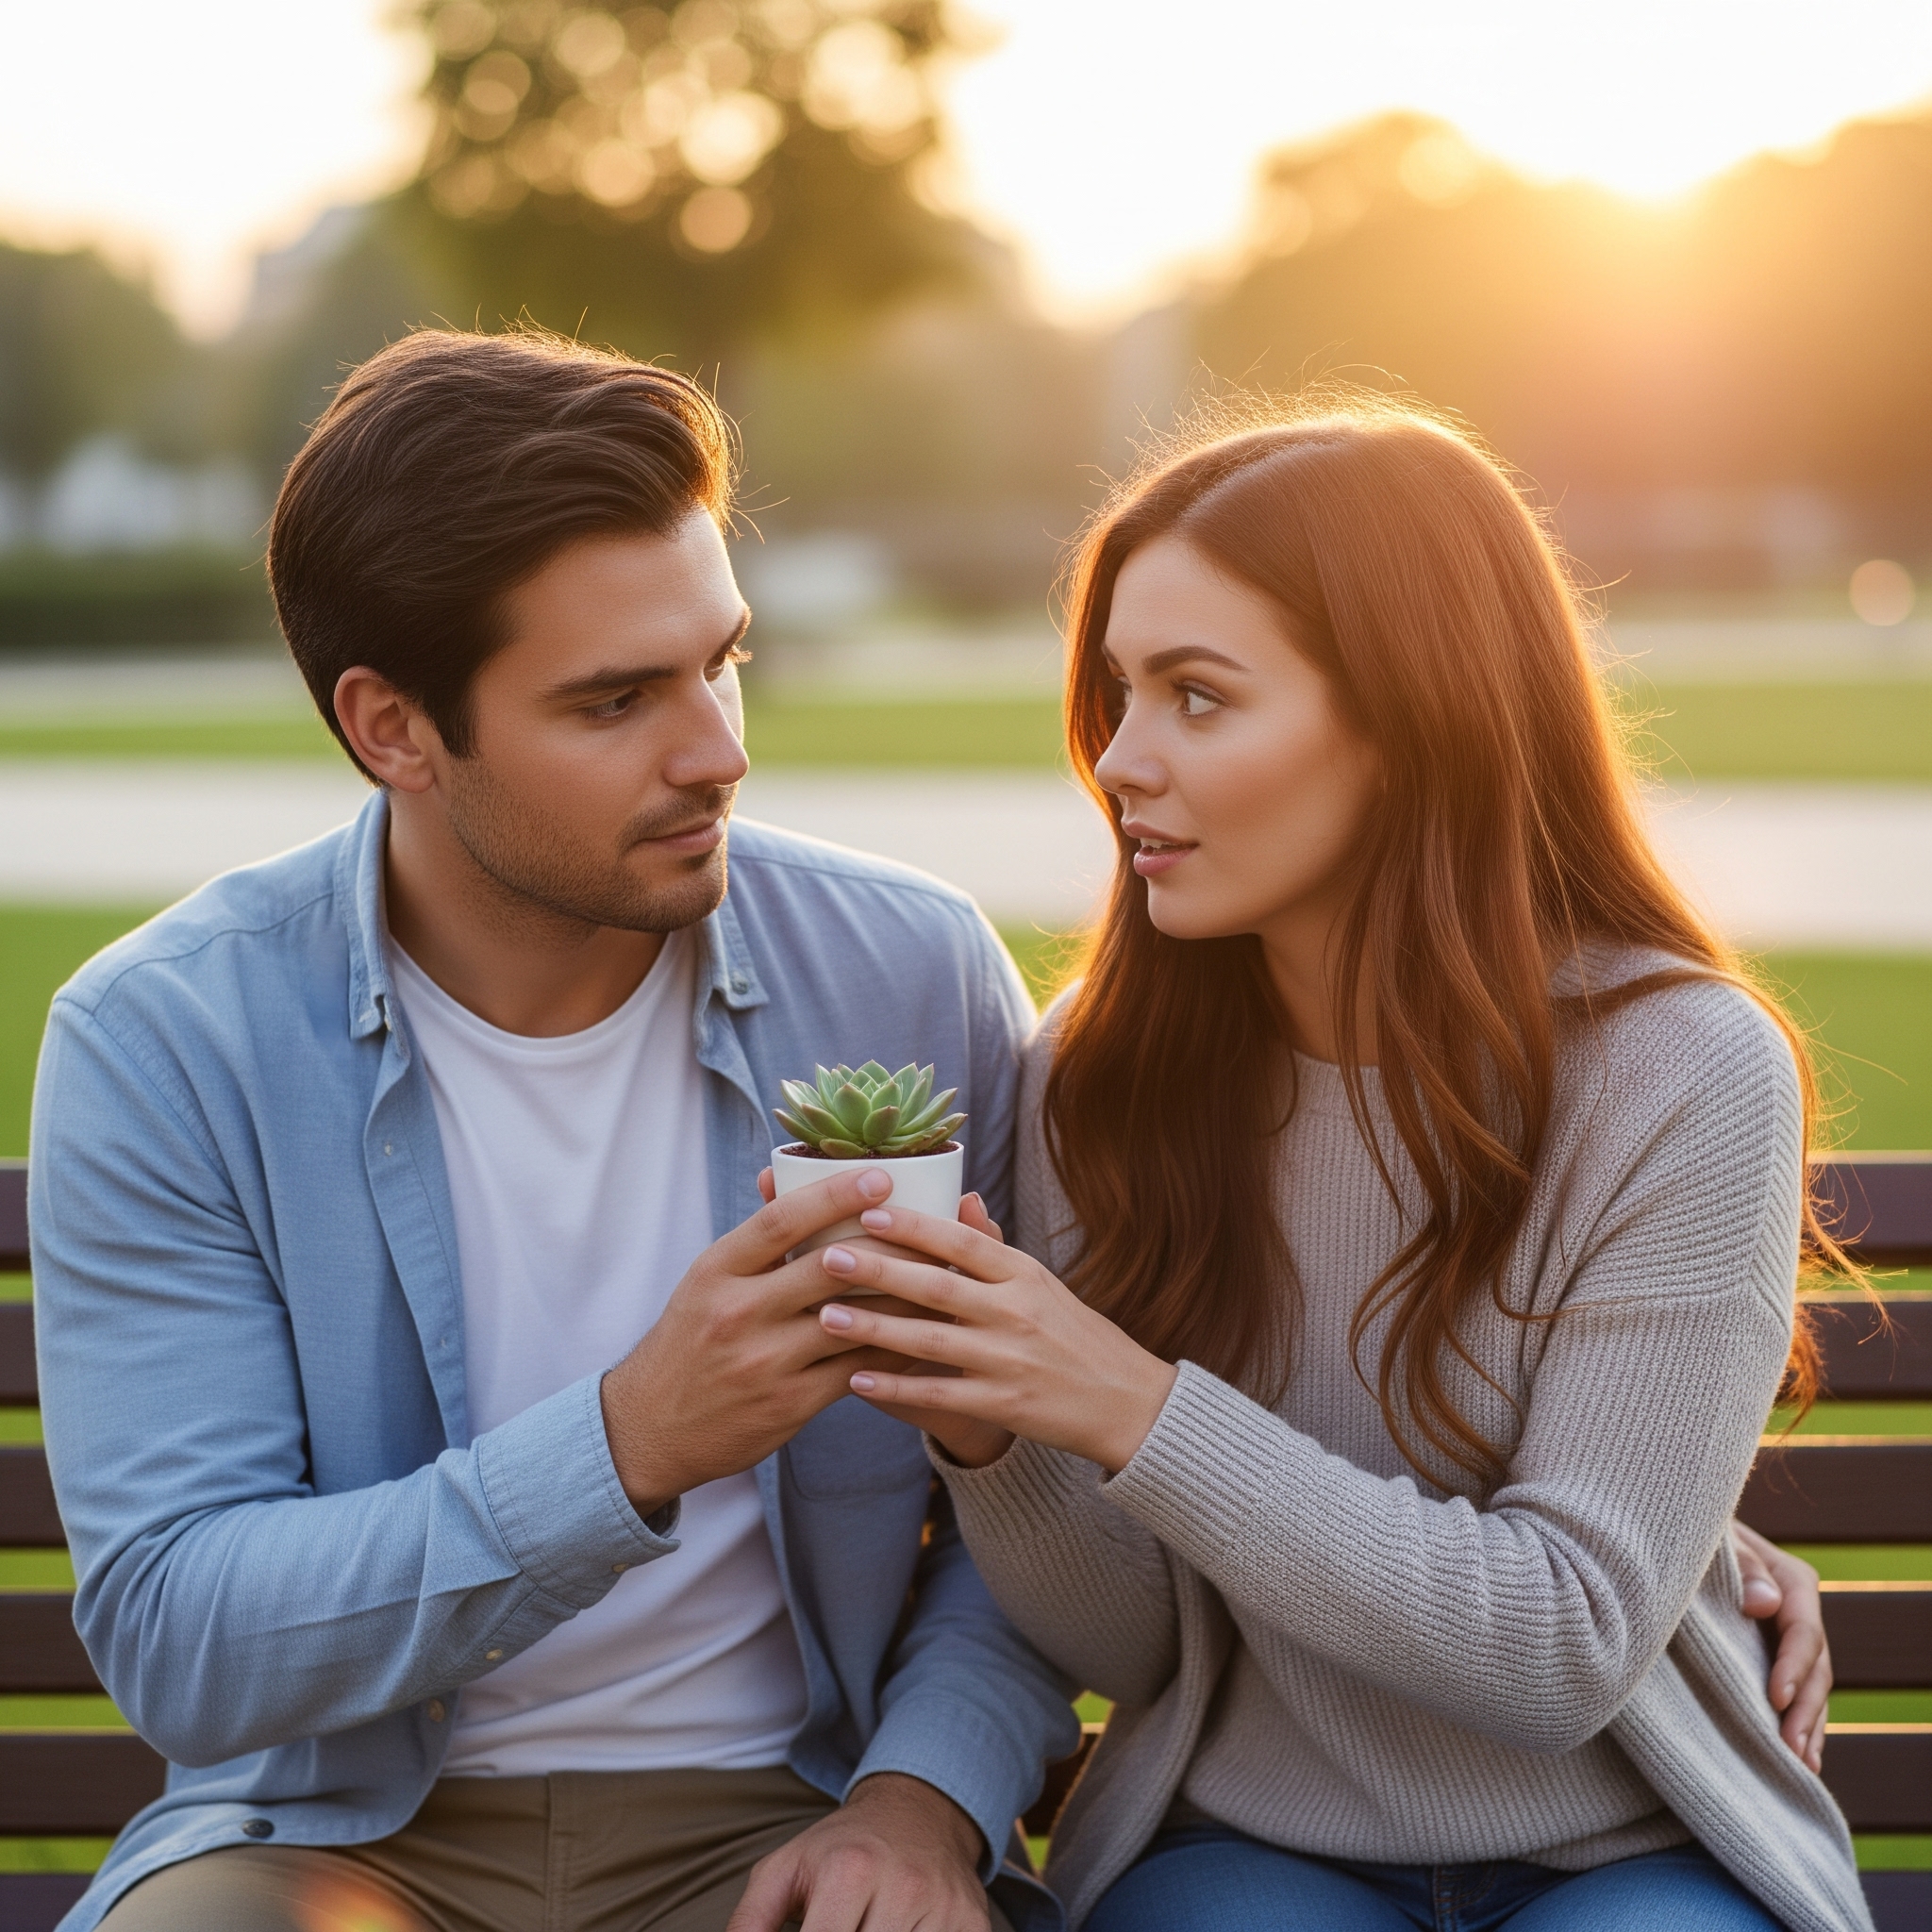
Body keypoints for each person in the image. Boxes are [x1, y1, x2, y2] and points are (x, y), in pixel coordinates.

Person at [28, 328, 1077, 1932]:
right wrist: (629, 1444)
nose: (719, 749)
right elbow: (188, 1637)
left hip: (792, 1814)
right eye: (615, 701)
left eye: (723, 660)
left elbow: (1031, 1512)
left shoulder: (904, 973)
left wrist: (923, 1801)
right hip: (337, 1837)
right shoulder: (175, 1038)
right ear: (393, 729)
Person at [797, 398, 1870, 1931]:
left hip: (1637, 1842)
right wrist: (1000, 1436)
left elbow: (1561, 1648)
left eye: (1199, 699)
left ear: (1410, 715)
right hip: (1247, 1838)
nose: (1118, 761)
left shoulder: (1684, 1072)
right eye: (1118, 693)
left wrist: (1125, 1402)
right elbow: (1135, 1650)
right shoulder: (1096, 1076)